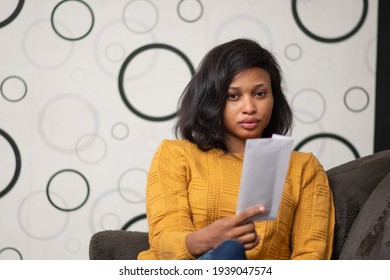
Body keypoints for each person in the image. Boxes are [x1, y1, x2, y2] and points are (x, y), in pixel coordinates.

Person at [137, 38, 335, 260]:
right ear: (212, 100)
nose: (249, 108)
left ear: (274, 98)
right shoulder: (176, 154)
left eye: (260, 94)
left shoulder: (303, 168)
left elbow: (311, 257)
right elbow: (164, 240)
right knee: (228, 252)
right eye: (233, 96)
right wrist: (207, 239)